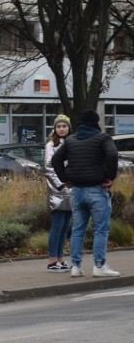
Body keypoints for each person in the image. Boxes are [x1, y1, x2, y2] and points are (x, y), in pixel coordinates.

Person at [51, 109, 120, 278]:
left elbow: (55, 160)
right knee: (101, 230)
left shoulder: (71, 140)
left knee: (77, 230)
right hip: (97, 189)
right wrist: (110, 177)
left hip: (77, 191)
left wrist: (65, 178)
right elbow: (112, 154)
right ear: (97, 123)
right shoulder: (103, 138)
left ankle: (76, 266)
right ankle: (99, 266)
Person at [43, 115, 73, 272]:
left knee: (66, 226)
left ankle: (61, 258)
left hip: (72, 189)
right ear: (55, 129)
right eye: (59, 126)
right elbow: (48, 168)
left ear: (69, 128)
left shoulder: (72, 143)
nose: (61, 129)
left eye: (64, 126)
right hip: (58, 190)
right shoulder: (51, 145)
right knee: (58, 224)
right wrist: (61, 185)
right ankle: (52, 260)